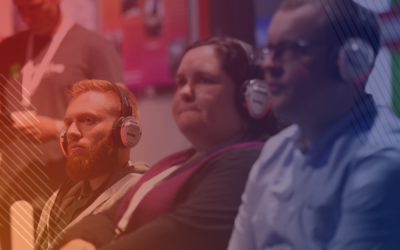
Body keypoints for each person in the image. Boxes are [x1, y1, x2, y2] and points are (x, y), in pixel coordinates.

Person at [51, 37, 283, 250]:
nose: (185, 92)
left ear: (252, 97)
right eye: (181, 81)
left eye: (204, 80)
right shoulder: (176, 163)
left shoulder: (248, 162)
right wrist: (81, 239)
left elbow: (178, 234)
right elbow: (110, 216)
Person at [228, 0, 400, 250]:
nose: (267, 65)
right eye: (270, 49)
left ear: (354, 61)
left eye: (290, 49)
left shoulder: (383, 160)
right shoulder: (274, 151)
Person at [0, 0, 123, 249]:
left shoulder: (93, 47)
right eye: (20, 8)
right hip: (13, 189)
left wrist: (58, 129)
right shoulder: (8, 49)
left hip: (69, 191)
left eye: (35, 6)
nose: (27, 16)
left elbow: (118, 119)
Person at [34, 80, 149, 250]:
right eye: (68, 123)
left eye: (87, 120)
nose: (71, 132)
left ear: (125, 131)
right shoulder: (58, 199)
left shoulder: (143, 195)